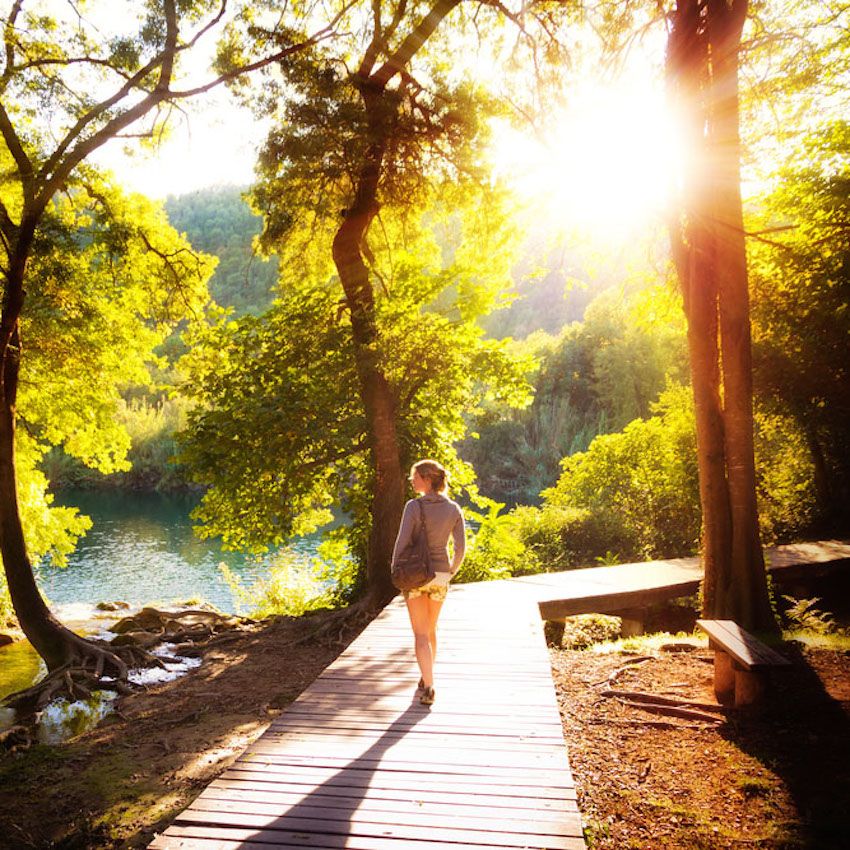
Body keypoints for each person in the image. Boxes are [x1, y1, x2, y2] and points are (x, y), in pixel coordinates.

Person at [391, 459, 465, 706]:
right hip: (441, 576)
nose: (411, 480)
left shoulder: (413, 506)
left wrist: (395, 569)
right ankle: (426, 677)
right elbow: (460, 549)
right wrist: (450, 572)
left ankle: (430, 686)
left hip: (416, 576)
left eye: (415, 477)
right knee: (431, 629)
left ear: (427, 479)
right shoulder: (453, 508)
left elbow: (402, 542)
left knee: (420, 634)